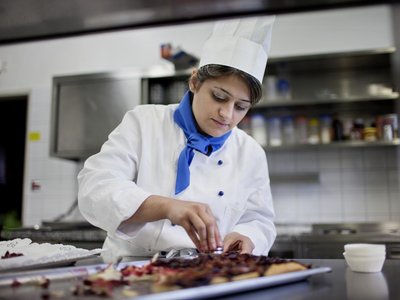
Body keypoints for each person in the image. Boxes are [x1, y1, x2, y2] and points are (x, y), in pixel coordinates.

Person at [78, 16, 276, 261]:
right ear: (194, 82)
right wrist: (167, 207)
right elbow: (95, 187)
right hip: (132, 269)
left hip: (210, 272)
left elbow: (259, 219)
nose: (227, 114)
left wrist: (246, 237)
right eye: (219, 97)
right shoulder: (144, 122)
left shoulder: (251, 152)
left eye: (241, 107)